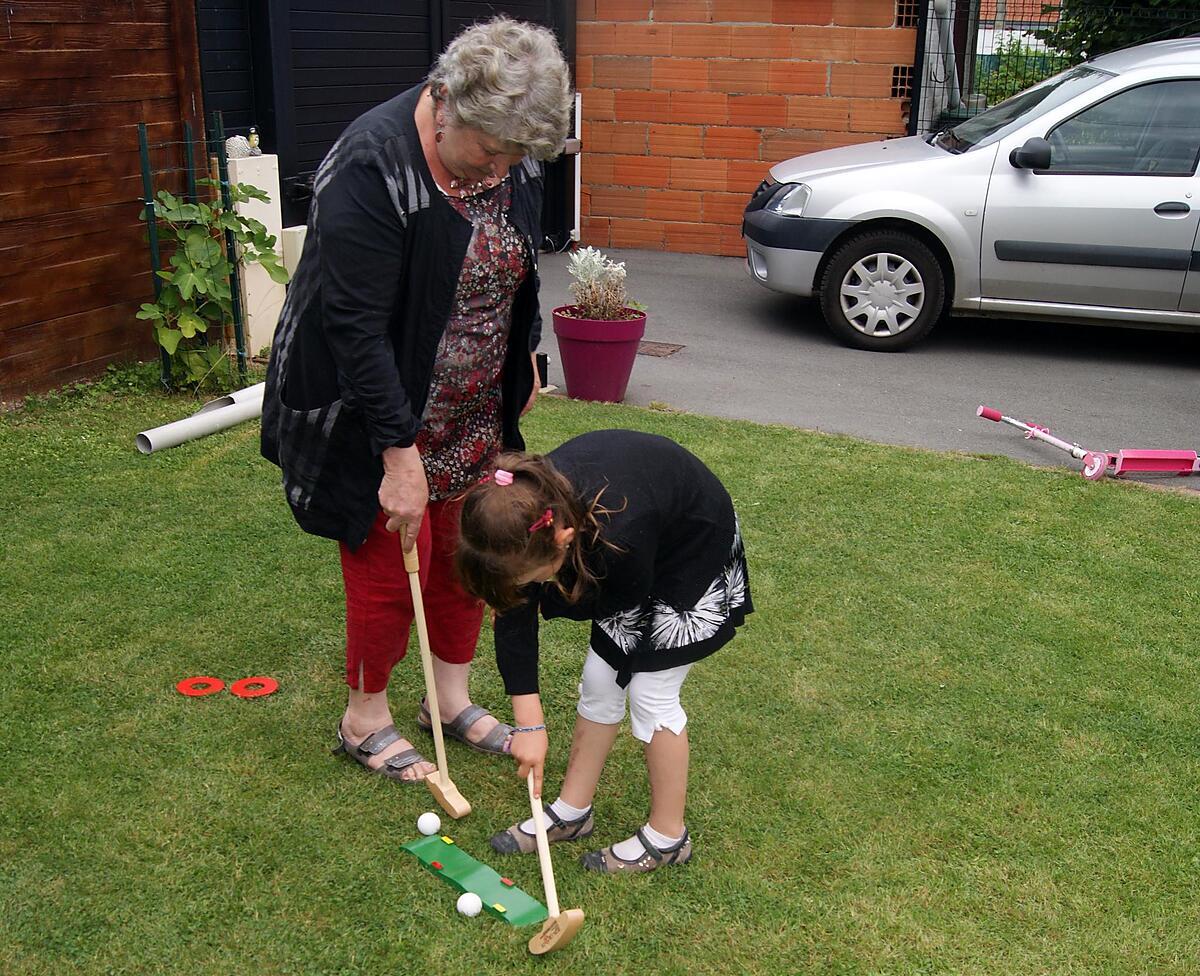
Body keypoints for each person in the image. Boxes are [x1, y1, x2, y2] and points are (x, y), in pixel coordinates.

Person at [260, 17, 572, 782]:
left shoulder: (510, 156)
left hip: (468, 402)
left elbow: (519, 270)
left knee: (467, 554)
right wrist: (399, 455)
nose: (500, 169)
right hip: (373, 403)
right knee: (390, 560)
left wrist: (524, 354)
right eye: (488, 152)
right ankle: (364, 718)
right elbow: (355, 330)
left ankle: (450, 700)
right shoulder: (370, 167)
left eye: (515, 156)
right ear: (445, 102)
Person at [455, 430, 753, 873]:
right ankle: (573, 813)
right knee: (600, 680)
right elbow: (515, 612)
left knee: (651, 693)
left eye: (533, 581)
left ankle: (668, 837)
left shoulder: (617, 539)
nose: (530, 591)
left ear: (562, 541)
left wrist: (547, 597)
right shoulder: (519, 522)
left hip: (690, 551)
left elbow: (615, 602)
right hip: (631, 538)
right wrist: (529, 726)